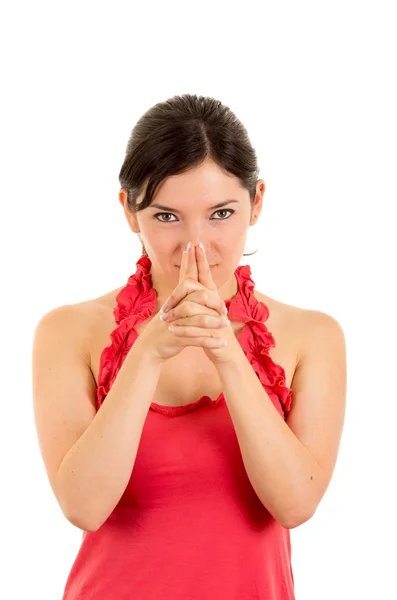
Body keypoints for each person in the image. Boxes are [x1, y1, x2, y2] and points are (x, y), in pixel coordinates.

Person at [32, 93, 347, 599]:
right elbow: (84, 507)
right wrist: (148, 351)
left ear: (257, 201)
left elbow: (295, 505)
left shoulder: (312, 335)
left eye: (221, 213)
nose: (195, 244)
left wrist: (227, 351)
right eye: (166, 217)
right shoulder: (70, 331)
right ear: (130, 212)